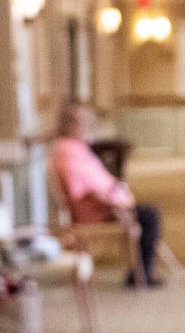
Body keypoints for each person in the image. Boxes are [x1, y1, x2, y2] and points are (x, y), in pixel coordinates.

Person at [51, 104, 163, 288]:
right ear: (71, 126)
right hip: (98, 210)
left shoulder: (74, 148)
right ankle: (142, 274)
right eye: (84, 124)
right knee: (150, 216)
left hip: (108, 203)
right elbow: (82, 191)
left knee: (148, 213)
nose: (89, 128)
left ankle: (140, 271)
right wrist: (114, 202)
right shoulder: (67, 152)